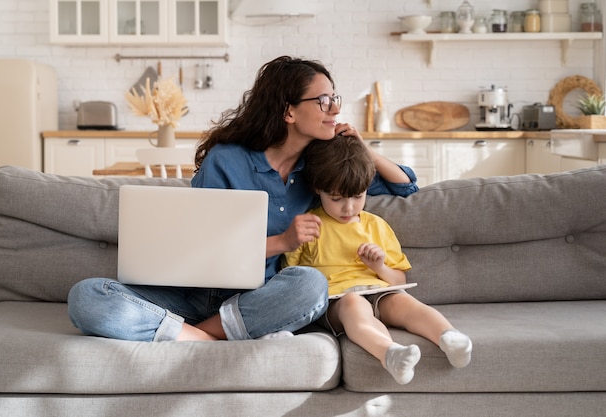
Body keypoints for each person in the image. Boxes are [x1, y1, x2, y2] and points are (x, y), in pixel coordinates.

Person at [67, 55, 419, 343]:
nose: (334, 109)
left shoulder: (319, 167)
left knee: (311, 284)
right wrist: (283, 241)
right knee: (87, 297)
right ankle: (205, 337)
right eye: (323, 100)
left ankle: (191, 336)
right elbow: (201, 247)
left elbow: (404, 187)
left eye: (334, 99)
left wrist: (360, 147)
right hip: (188, 293)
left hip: (257, 299)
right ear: (289, 111)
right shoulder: (226, 160)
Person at [282, 135, 472, 385]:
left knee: (405, 303)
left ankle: (449, 337)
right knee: (354, 305)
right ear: (318, 189)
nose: (348, 208)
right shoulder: (309, 225)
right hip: (337, 301)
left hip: (379, 290)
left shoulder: (377, 226)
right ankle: (389, 353)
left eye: (357, 197)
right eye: (337, 199)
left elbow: (399, 279)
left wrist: (378, 266)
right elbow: (292, 279)